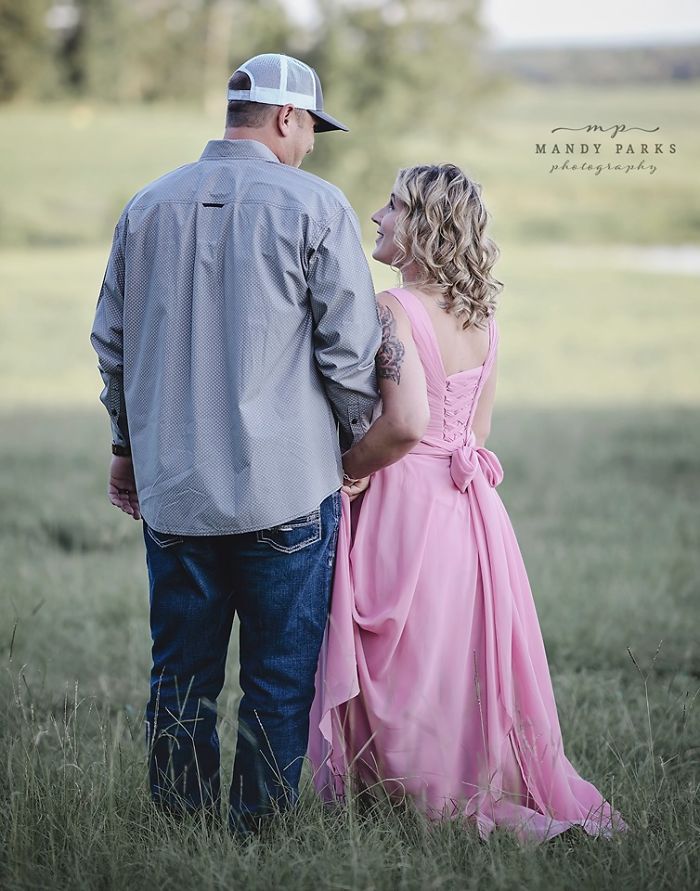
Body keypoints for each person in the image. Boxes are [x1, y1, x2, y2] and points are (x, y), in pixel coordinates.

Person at [90, 52, 413, 833]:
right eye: (311, 129)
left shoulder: (146, 206)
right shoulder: (316, 204)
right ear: (285, 118)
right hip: (289, 492)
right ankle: (259, 838)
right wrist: (355, 452)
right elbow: (347, 353)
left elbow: (113, 345)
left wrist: (127, 445)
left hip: (175, 492)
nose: (311, 145)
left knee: (181, 676)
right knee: (277, 678)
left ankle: (179, 833)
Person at [310, 163, 627, 842]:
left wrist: (346, 469)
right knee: (448, 657)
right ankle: (463, 783)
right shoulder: (482, 316)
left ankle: (417, 795)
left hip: (405, 499)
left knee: (401, 661)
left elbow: (400, 424)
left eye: (391, 207)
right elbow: (476, 433)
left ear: (422, 225)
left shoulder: (394, 308)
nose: (376, 216)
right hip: (470, 505)